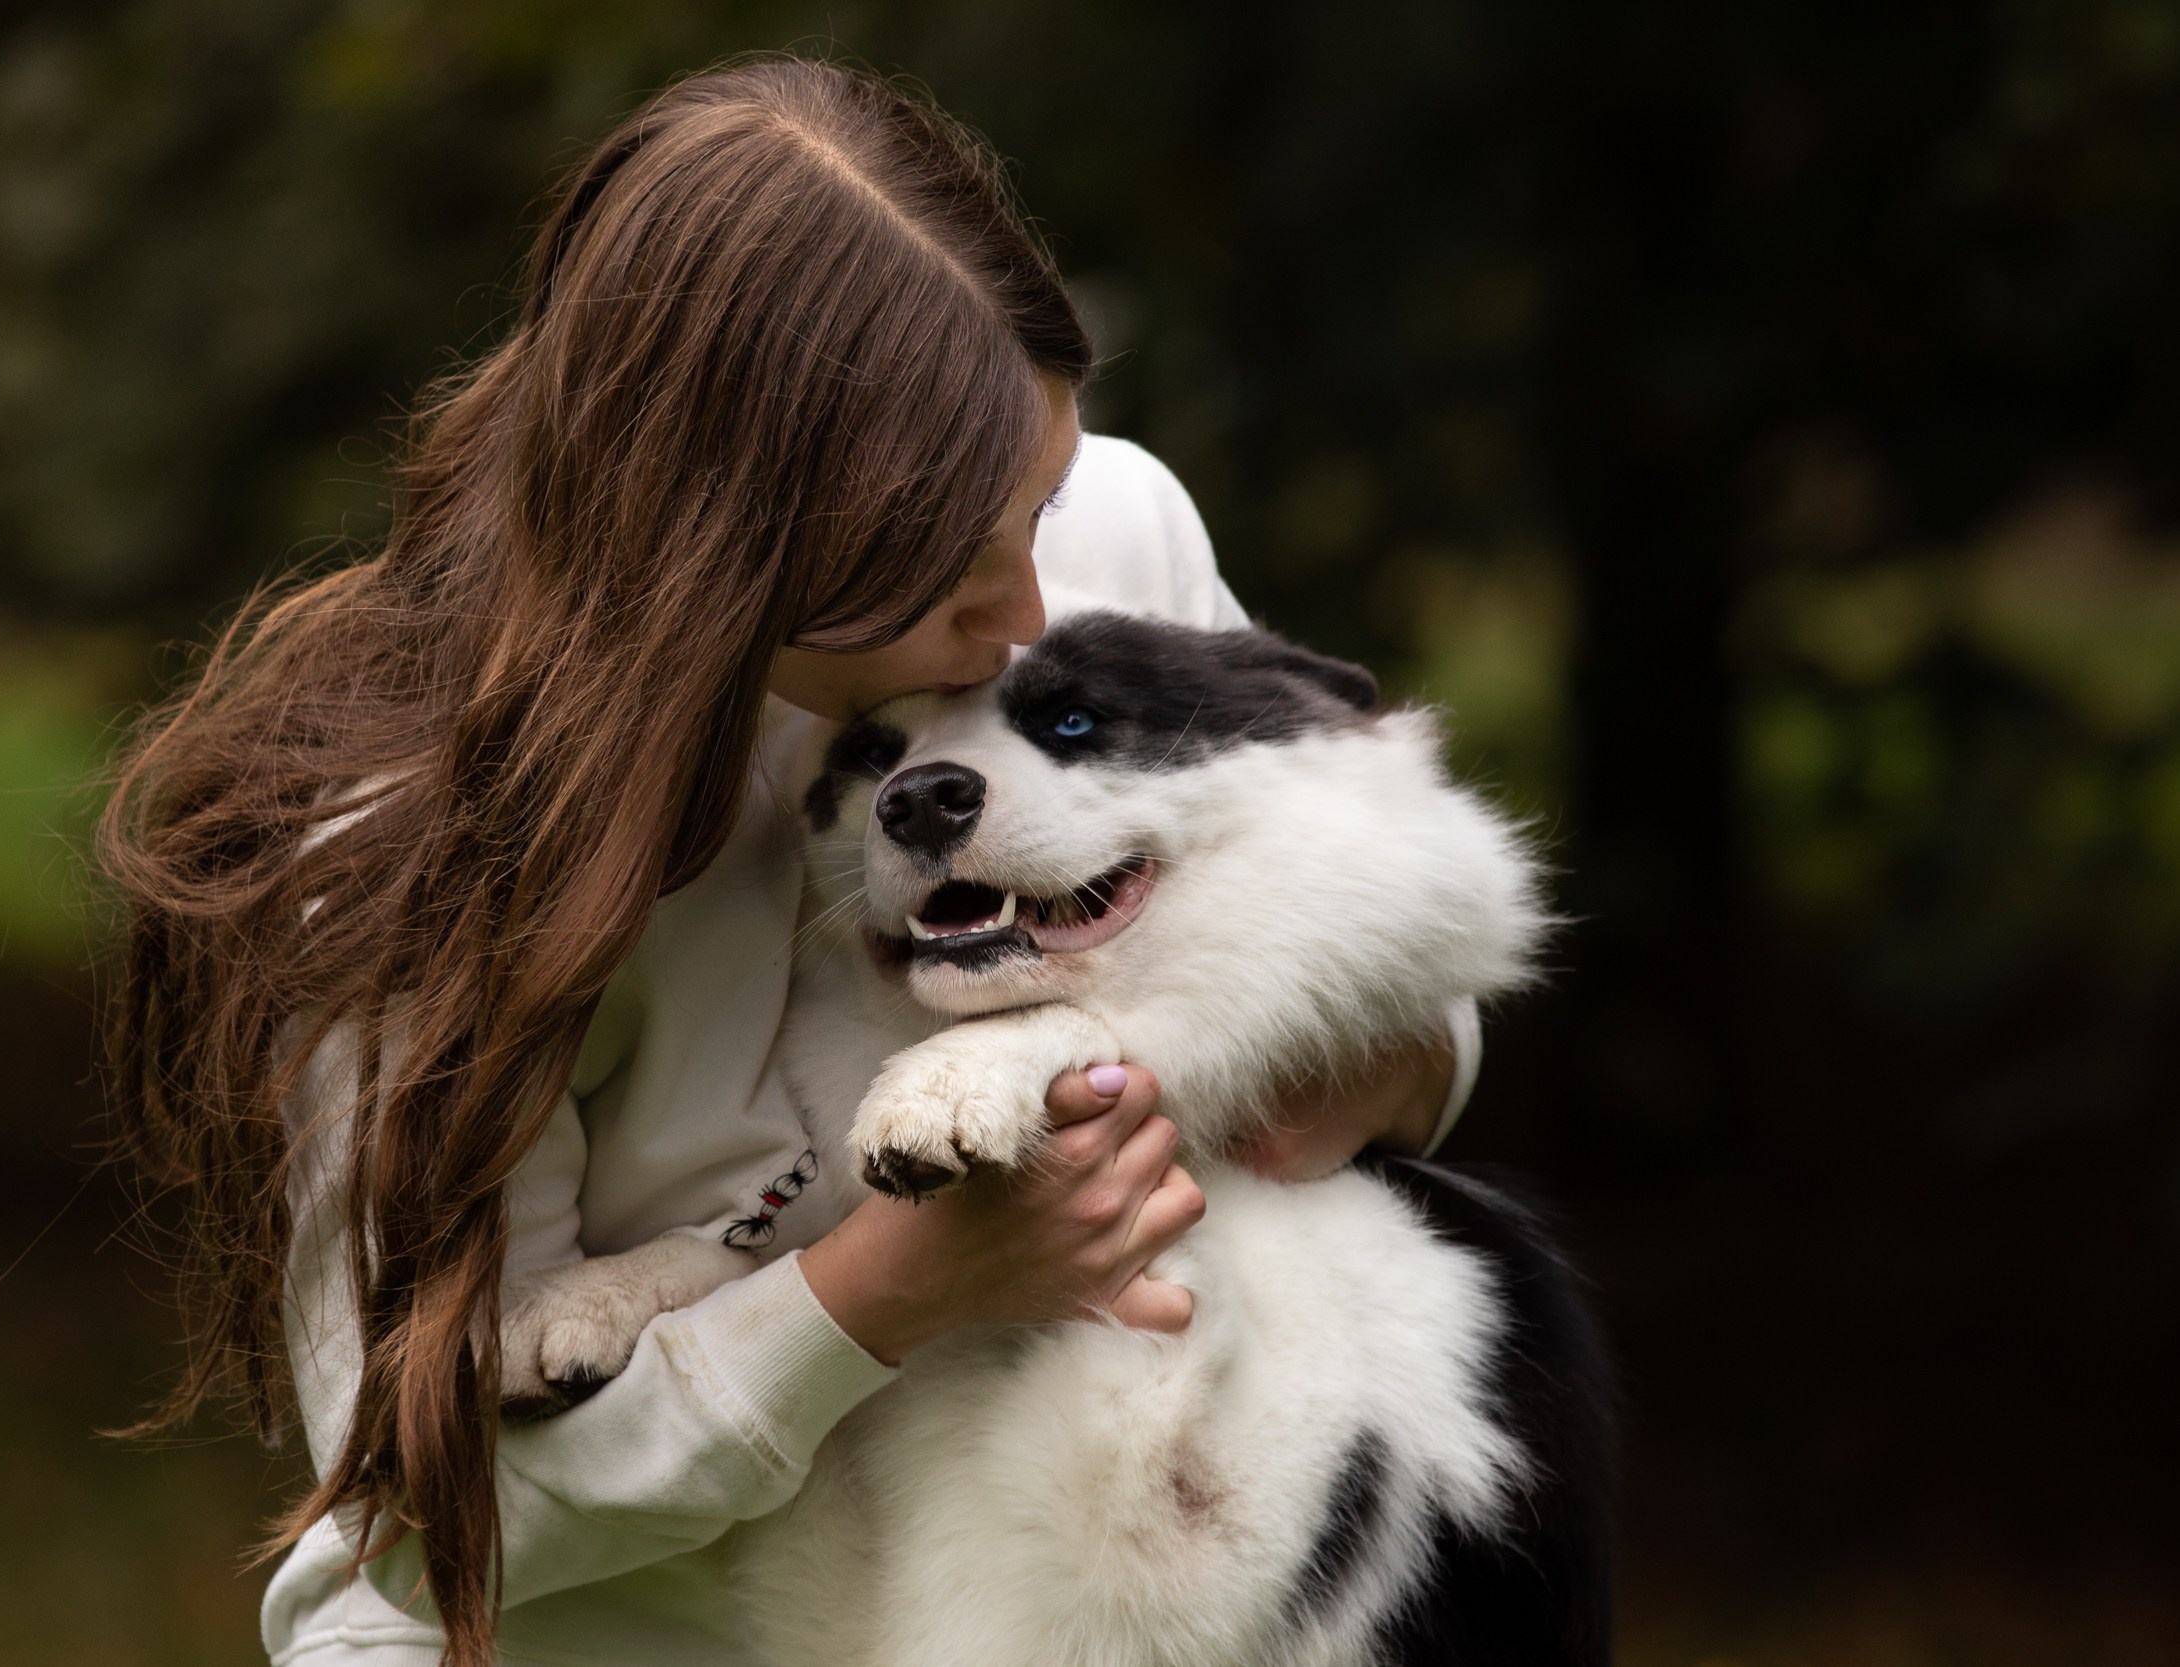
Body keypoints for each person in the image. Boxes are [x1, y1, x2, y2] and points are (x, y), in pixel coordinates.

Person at [98, 56, 1475, 1667]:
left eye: (1039, 504)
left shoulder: (1104, 533)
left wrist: (1374, 1070)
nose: (1032, 614)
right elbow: (423, 1532)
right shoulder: (415, 844)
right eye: (957, 571)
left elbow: (1382, 912)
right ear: (728, 552)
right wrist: (884, 1292)